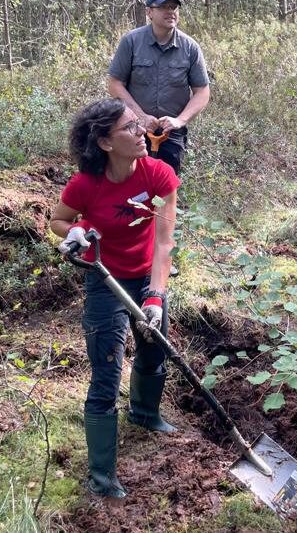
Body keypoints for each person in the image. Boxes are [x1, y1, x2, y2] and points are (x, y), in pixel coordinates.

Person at [50, 98, 180, 499]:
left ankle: (144, 414)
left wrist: (156, 296)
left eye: (138, 125)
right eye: (129, 128)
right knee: (106, 369)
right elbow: (58, 220)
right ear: (105, 142)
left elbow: (164, 243)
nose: (141, 132)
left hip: (145, 274)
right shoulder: (86, 184)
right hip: (104, 278)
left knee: (154, 345)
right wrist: (71, 234)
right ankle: (101, 476)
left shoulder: (159, 175)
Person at [107, 0, 210, 176]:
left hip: (171, 134)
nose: (170, 11)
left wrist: (179, 120)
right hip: (134, 130)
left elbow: (202, 91)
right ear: (149, 12)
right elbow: (115, 84)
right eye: (164, 7)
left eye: (174, 7)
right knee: (132, 183)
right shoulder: (131, 42)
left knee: (166, 186)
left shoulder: (190, 48)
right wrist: (140, 117)